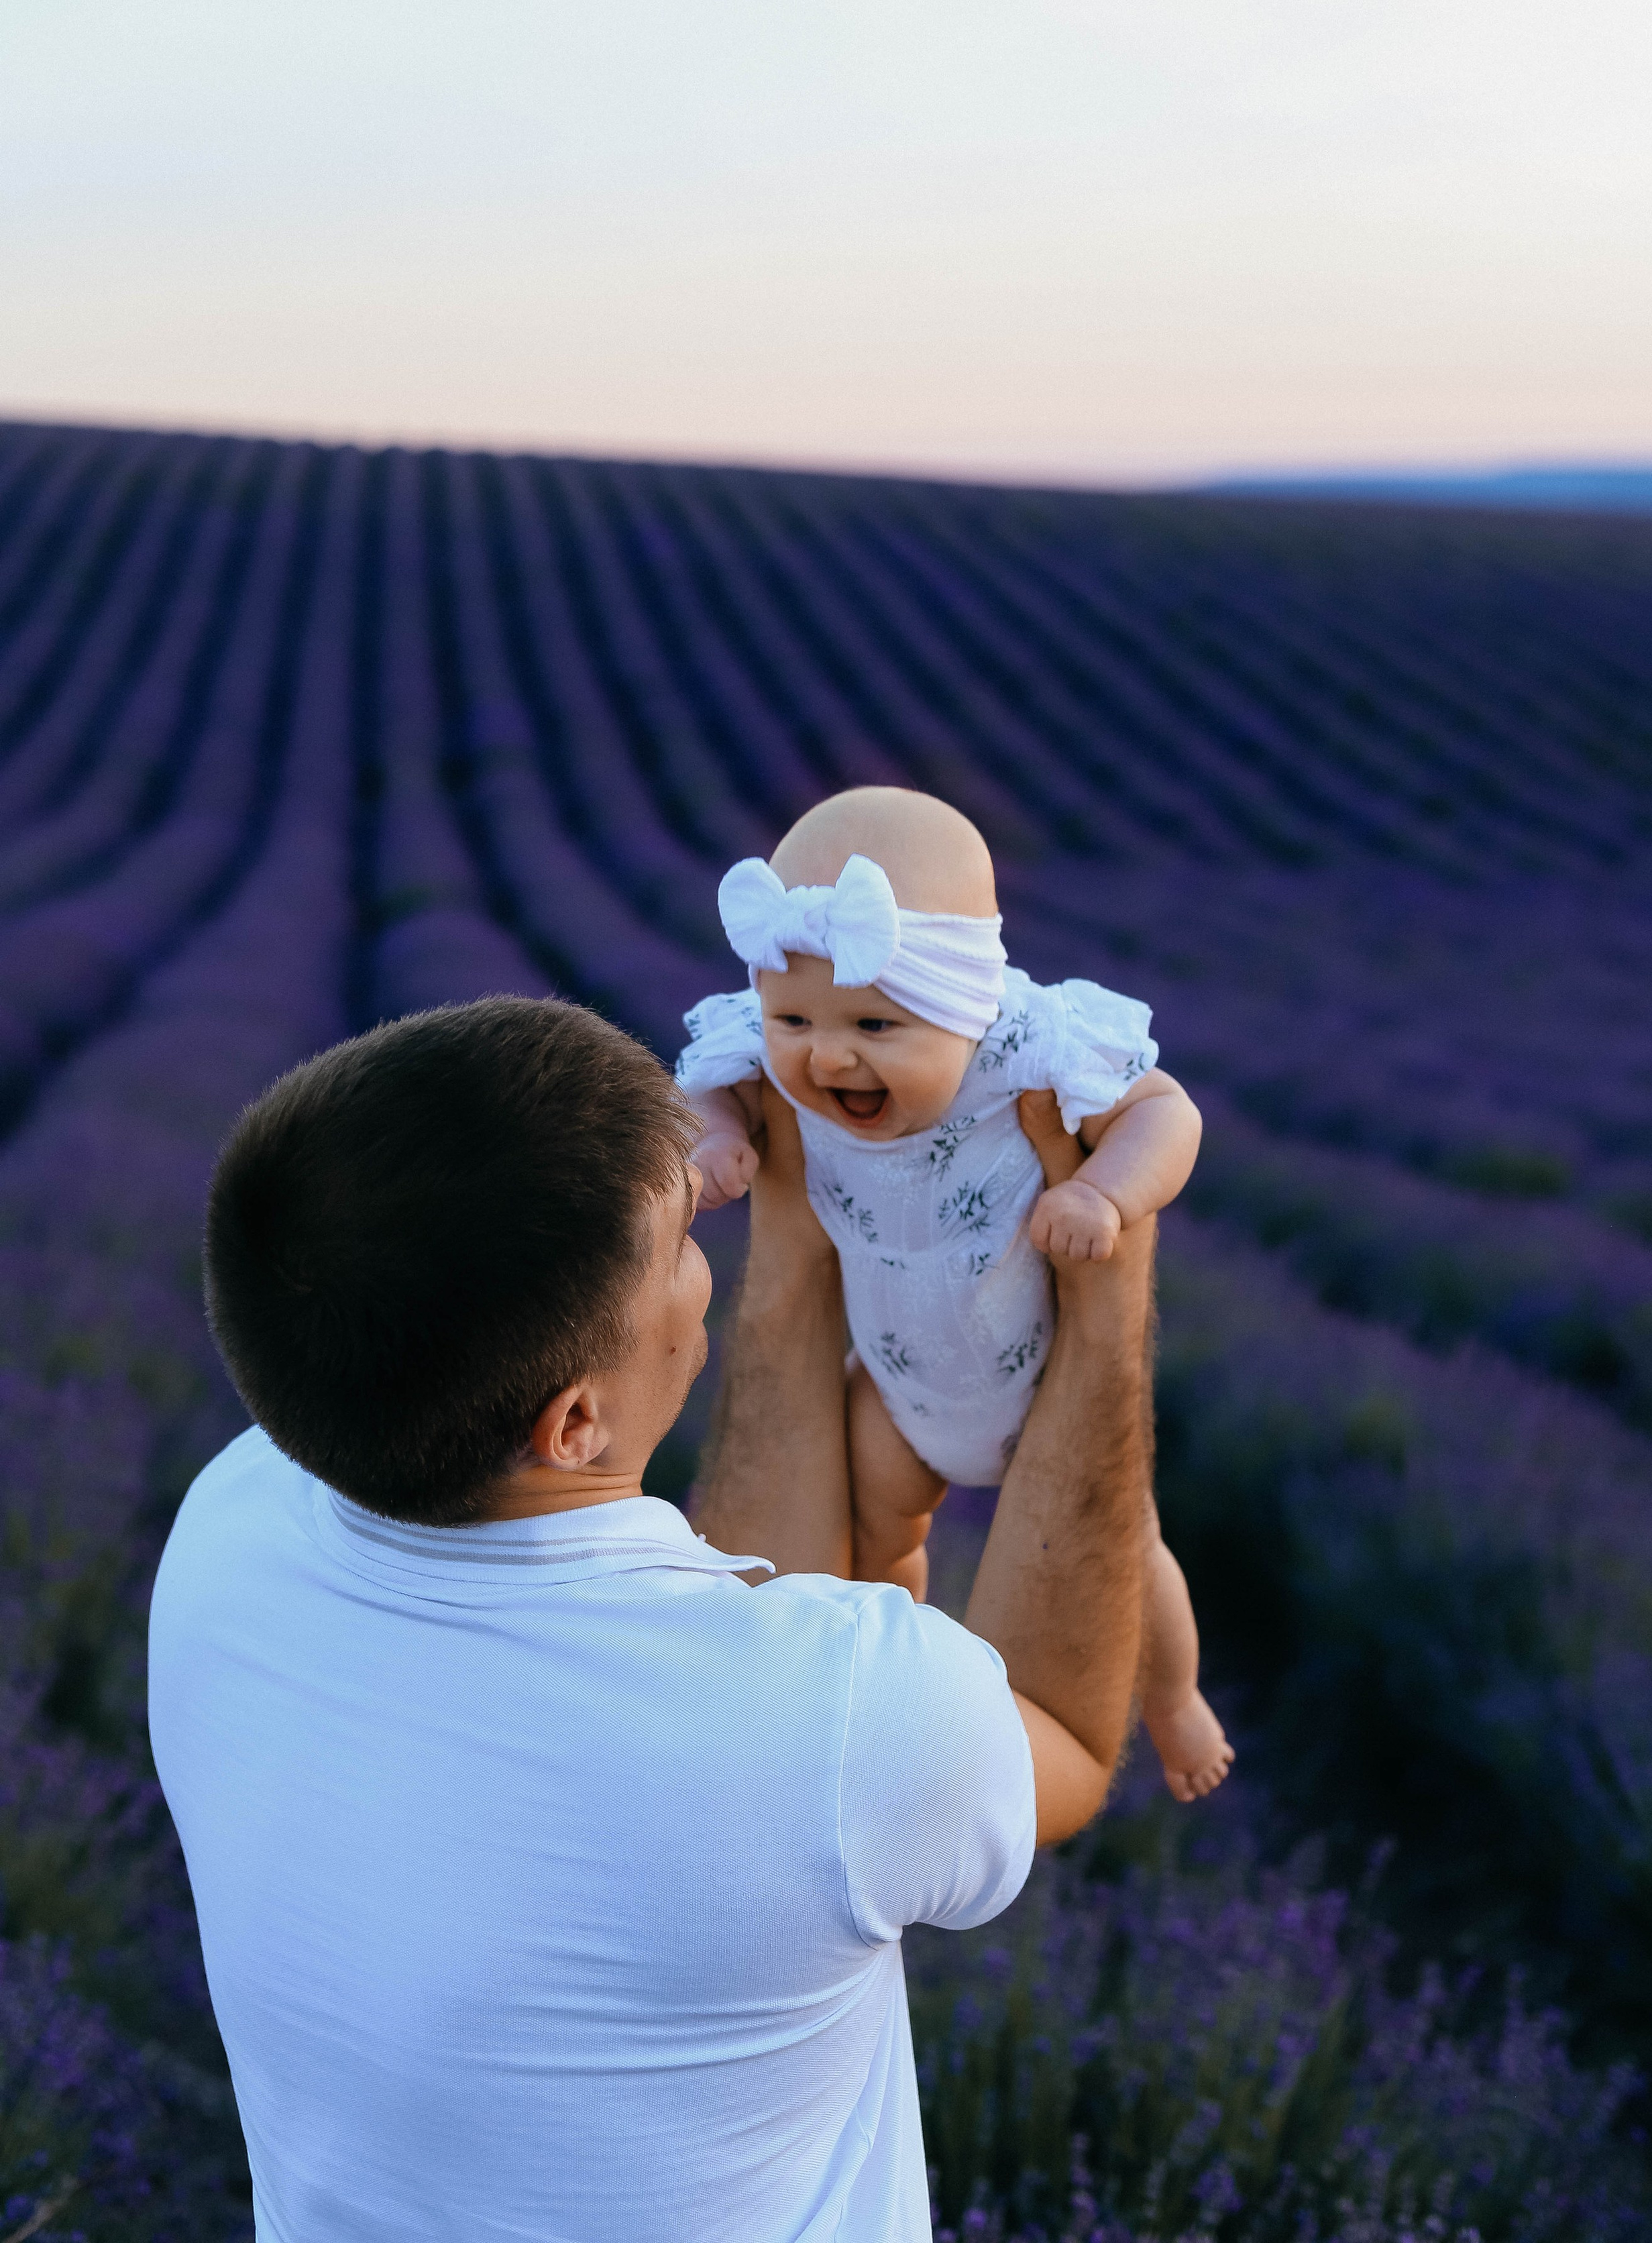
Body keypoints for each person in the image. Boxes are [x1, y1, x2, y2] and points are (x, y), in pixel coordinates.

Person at [148, 994, 1156, 2243]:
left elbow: (728, 1648)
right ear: (572, 1425)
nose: (705, 1260)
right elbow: (1057, 1728)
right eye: (686, 1238)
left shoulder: (232, 1521)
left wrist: (799, 1230)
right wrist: (1107, 1292)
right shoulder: (849, 1729)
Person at [679, 786, 1231, 1800]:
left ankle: (1177, 1700)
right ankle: (893, 1659)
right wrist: (714, 1135)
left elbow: (1168, 1112)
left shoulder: (1031, 1047)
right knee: (876, 1529)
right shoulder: (780, 1055)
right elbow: (704, 1076)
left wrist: (1109, 1193)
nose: (826, 1053)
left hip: (1039, 1410)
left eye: (875, 1024)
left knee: (1127, 1556)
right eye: (792, 1017)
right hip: (897, 1388)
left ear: (968, 1002)